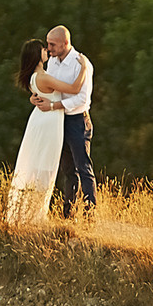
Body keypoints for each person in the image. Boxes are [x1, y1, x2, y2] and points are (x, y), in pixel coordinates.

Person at [32, 25, 96, 216]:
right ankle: (68, 214)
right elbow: (50, 88)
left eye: (52, 44)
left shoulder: (81, 64)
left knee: (83, 168)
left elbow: (82, 99)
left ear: (65, 43)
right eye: (48, 43)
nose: (48, 48)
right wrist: (35, 98)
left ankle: (90, 214)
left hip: (77, 121)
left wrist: (53, 106)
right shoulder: (52, 62)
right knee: (68, 170)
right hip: (58, 121)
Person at [6, 39, 65, 225]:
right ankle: (36, 215)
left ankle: (30, 213)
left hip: (41, 119)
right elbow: (73, 88)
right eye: (43, 49)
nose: (46, 50)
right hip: (49, 121)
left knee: (37, 165)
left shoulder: (35, 76)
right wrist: (85, 69)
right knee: (45, 165)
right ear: (36, 54)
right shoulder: (43, 77)